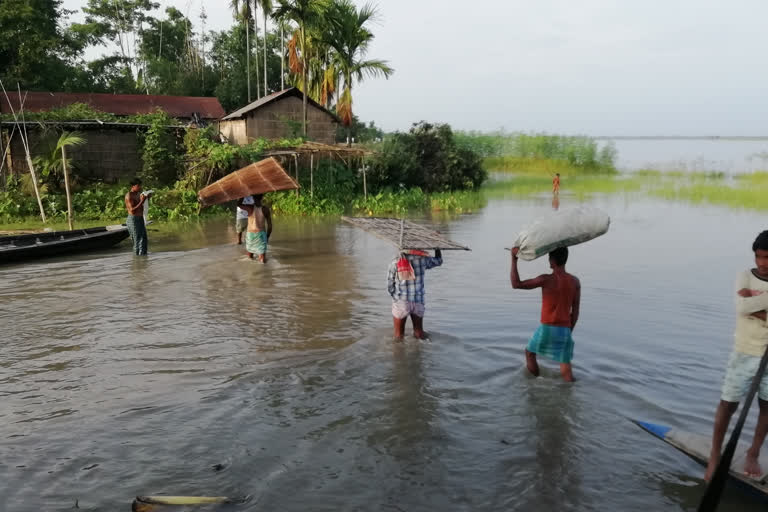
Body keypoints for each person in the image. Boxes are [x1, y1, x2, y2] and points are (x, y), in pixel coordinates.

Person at [705, 230, 768, 481]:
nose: (762, 263)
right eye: (758, 257)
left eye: (767, 257)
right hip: (745, 351)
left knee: (767, 407)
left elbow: (750, 308)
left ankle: (753, 452)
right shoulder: (745, 276)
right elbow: (742, 308)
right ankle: (714, 455)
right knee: (728, 404)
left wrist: (758, 306)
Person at [511, 246, 581, 382]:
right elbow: (576, 311)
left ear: (552, 261)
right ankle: (570, 387)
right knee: (564, 361)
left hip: (547, 328)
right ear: (565, 260)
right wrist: (569, 331)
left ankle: (535, 382)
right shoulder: (575, 282)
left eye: (549, 257)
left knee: (530, 353)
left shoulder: (546, 279)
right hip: (565, 328)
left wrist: (514, 260)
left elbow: (516, 284)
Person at [387, 249, 443, 340]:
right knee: (419, 334)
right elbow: (439, 261)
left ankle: (398, 354)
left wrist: (395, 297)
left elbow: (390, 286)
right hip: (418, 300)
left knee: (398, 336)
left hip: (401, 301)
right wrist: (437, 248)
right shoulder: (423, 259)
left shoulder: (395, 262)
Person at [236, 194, 272, 263]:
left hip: (250, 235)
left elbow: (239, 204)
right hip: (261, 235)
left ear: (253, 198)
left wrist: (242, 194)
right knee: (262, 260)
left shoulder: (250, 208)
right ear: (262, 197)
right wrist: (267, 237)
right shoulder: (265, 209)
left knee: (249, 257)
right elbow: (270, 226)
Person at [124, 178, 150, 255]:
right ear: (133, 186)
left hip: (140, 218)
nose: (140, 187)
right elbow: (132, 210)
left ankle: (143, 260)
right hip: (133, 219)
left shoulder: (138, 194)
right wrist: (142, 201)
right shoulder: (129, 195)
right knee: (137, 241)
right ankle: (136, 262)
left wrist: (146, 199)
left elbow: (141, 207)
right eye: (138, 186)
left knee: (144, 239)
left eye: (140, 185)